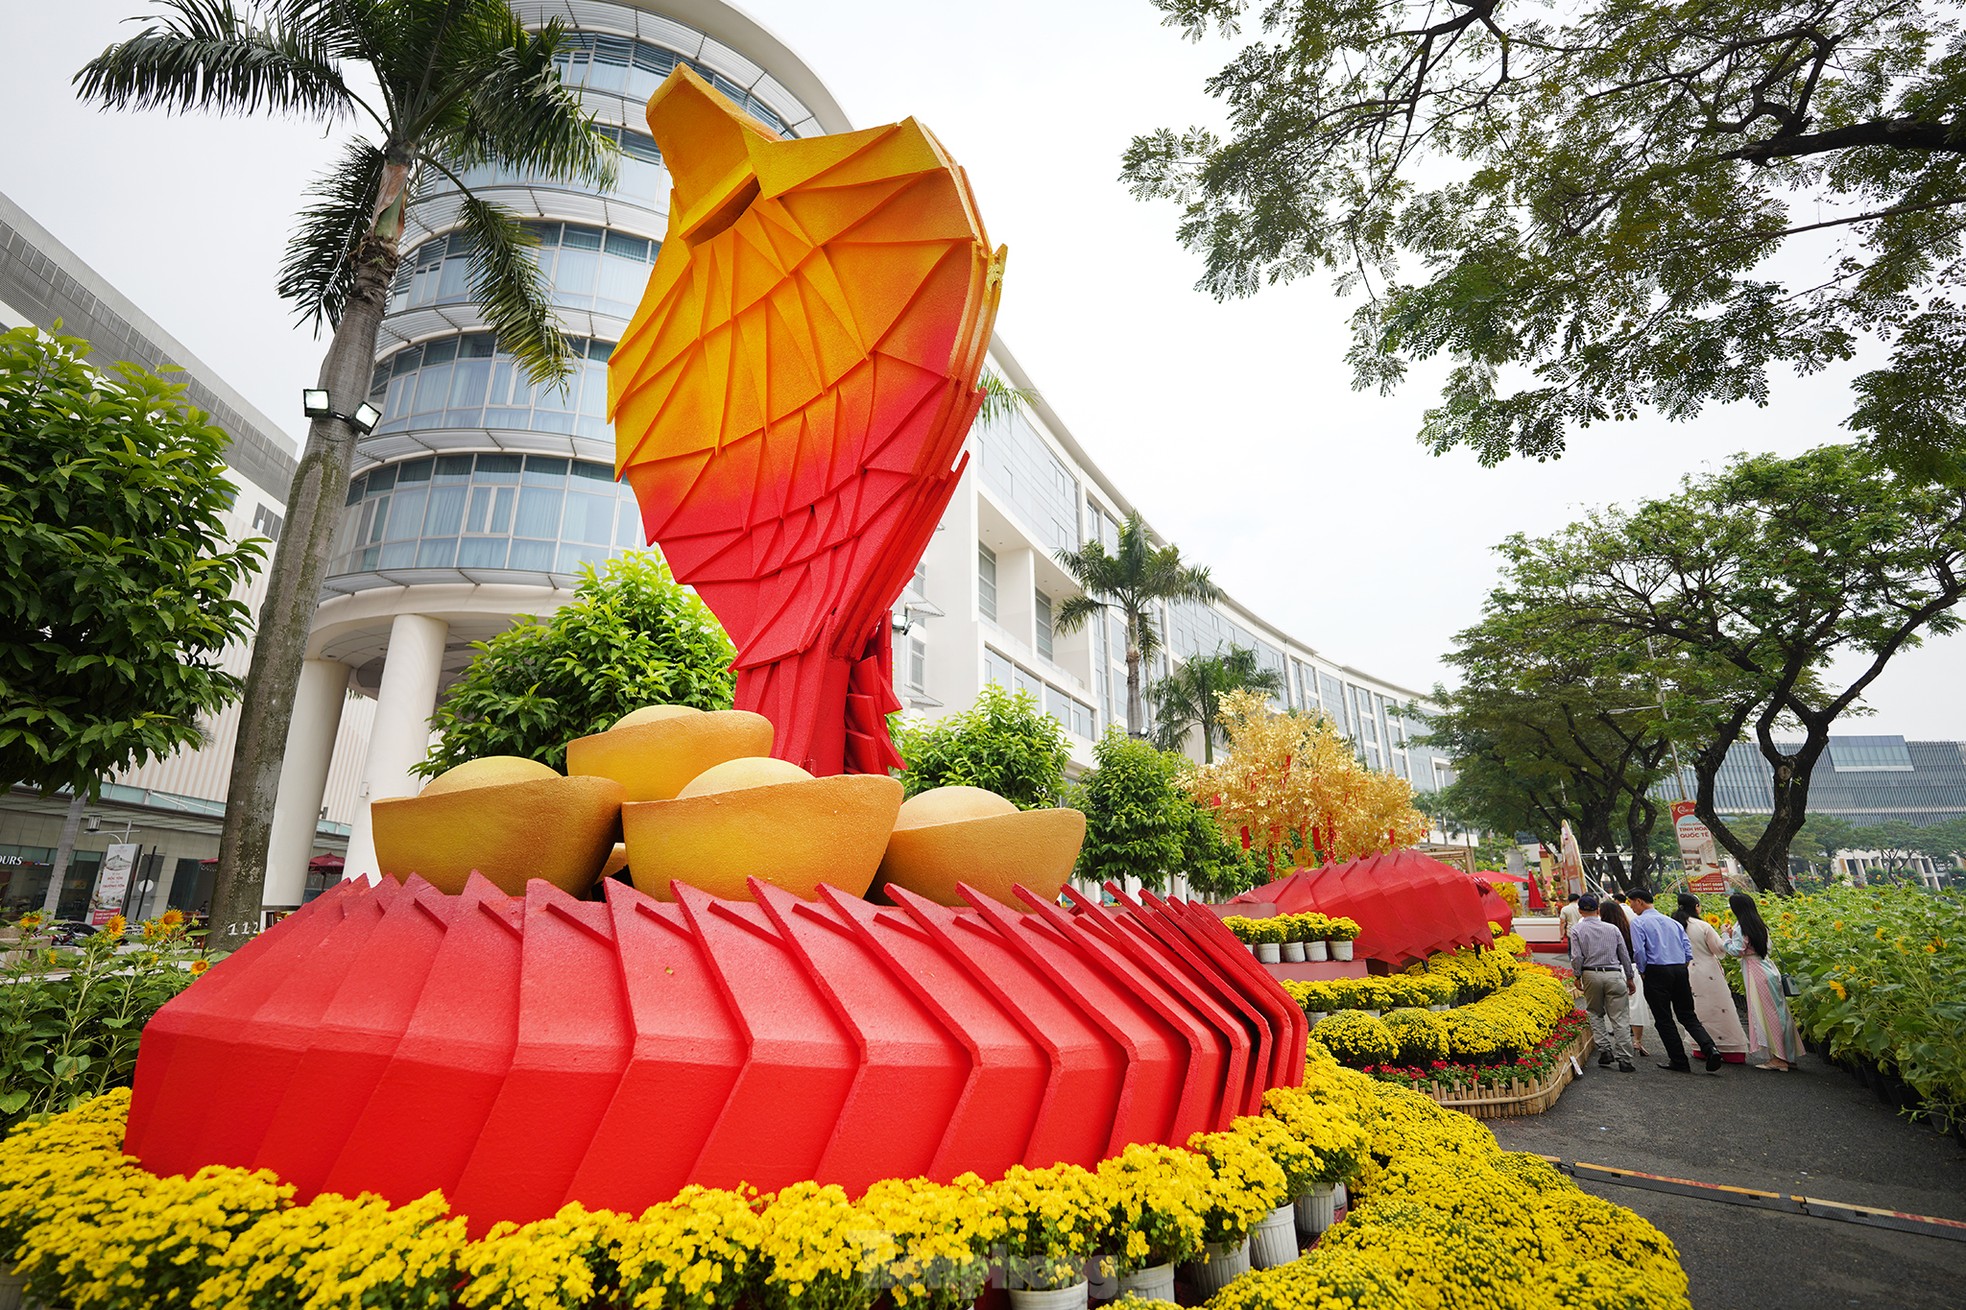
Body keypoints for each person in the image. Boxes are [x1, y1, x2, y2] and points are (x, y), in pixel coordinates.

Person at [1628, 887, 1723, 1073]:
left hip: (1656, 971)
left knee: (1664, 1018)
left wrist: (1642, 970)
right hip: (1679, 969)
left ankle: (1679, 1060)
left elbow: (1639, 951)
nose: (1631, 907)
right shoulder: (1673, 922)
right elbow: (1687, 947)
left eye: (1631, 902)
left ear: (1639, 901)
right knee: (1687, 1014)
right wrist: (1684, 964)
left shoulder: (1638, 923)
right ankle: (1710, 1048)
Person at [1725, 893, 1801, 1072]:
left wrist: (1725, 936)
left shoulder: (1741, 927)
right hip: (1768, 967)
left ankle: (1778, 1059)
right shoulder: (1759, 924)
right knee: (1779, 1012)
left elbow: (1736, 950)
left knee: (1766, 1014)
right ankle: (1787, 1056)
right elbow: (1767, 948)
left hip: (1755, 971)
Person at [1673, 893, 1749, 1060]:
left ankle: (1701, 1047)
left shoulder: (1675, 925)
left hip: (1687, 971)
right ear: (1696, 907)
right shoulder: (1702, 926)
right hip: (1708, 971)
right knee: (1720, 1008)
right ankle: (1729, 1048)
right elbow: (1719, 949)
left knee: (1698, 1010)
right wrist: (1725, 934)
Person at [1567, 894, 1636, 1071]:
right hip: (1613, 974)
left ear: (1580, 911)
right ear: (1598, 910)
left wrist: (1577, 975)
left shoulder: (1577, 930)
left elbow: (1576, 956)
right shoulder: (1612, 929)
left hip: (1591, 975)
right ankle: (1625, 1059)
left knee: (1595, 1013)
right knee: (1620, 1018)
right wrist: (1629, 977)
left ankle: (1605, 1050)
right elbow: (1624, 955)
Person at [1598, 899, 1653, 1056]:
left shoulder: (1602, 930)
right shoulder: (1629, 928)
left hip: (1611, 970)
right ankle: (1637, 1041)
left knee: (1615, 1009)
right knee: (1636, 1006)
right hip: (1632, 968)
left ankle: (1620, 1044)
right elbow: (1639, 950)